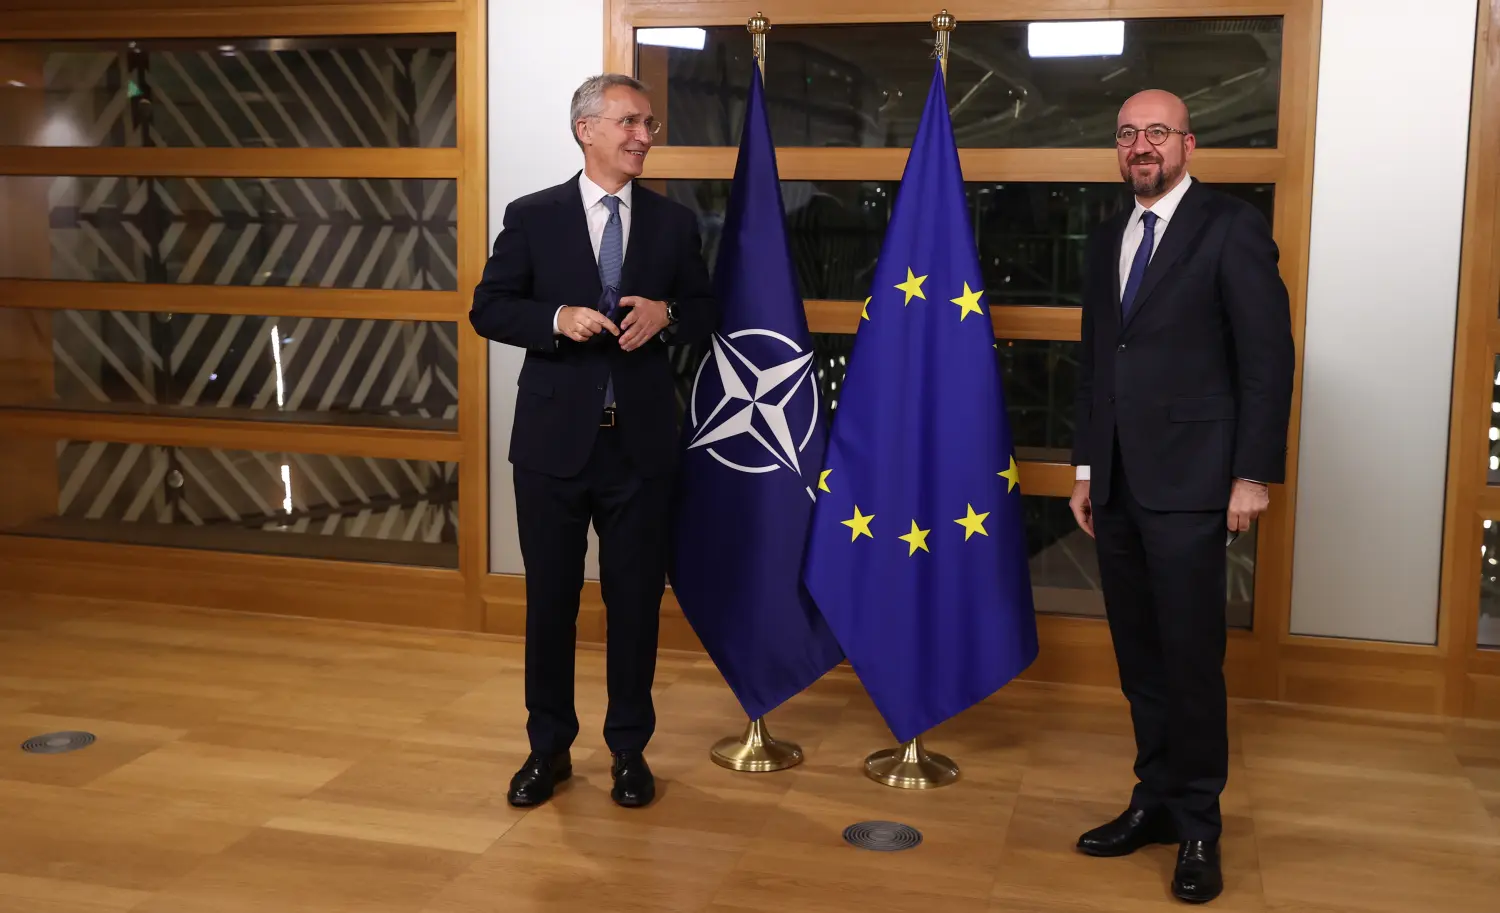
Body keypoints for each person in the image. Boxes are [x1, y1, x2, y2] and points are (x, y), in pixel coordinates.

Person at [1068, 89, 1294, 903]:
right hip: (1120, 482)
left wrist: (1251, 474)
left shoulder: (1229, 227)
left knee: (1192, 660)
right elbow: (1098, 363)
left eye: (1156, 133)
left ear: (1188, 144)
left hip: (1197, 482)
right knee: (1142, 661)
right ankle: (1155, 802)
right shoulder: (1107, 239)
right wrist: (1088, 469)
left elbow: (1269, 358)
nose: (1140, 146)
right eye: (1127, 134)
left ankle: (1199, 822)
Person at [469, 73, 718, 809]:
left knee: (635, 604)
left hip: (640, 450)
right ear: (586, 129)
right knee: (550, 603)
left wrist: (668, 312)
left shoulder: (674, 226)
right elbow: (489, 308)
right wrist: (555, 320)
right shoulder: (534, 215)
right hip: (550, 448)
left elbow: (708, 311)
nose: (645, 135)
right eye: (630, 122)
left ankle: (629, 751)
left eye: (649, 124)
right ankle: (547, 750)